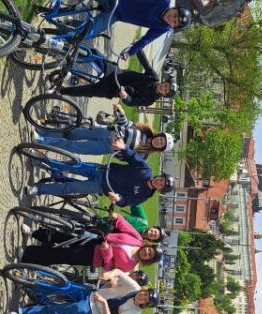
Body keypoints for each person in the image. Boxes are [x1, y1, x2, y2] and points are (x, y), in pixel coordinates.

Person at [24, 146, 174, 207]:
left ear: (160, 190)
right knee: (69, 166)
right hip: (101, 170)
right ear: (160, 176)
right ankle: (41, 161)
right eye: (161, 179)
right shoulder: (145, 169)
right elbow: (132, 156)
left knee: (68, 188)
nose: (159, 182)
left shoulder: (143, 196)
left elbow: (126, 201)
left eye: (161, 185)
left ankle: (38, 189)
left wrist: (118, 199)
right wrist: (123, 148)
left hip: (100, 186)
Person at [12, 269, 160, 314]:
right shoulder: (134, 288)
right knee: (64, 286)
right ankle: (30, 284)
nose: (143, 297)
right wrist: (109, 276)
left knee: (57, 310)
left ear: (145, 305)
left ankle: (22, 313)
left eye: (146, 300)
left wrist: (104, 305)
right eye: (146, 294)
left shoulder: (135, 312)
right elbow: (119, 272)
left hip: (92, 309)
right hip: (91, 293)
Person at [20, 212, 163, 272]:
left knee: (62, 255)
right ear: (149, 246)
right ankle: (35, 233)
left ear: (147, 260)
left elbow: (109, 267)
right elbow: (125, 226)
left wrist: (107, 252)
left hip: (92, 256)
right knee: (64, 235)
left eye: (149, 256)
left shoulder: (129, 265)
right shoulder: (137, 240)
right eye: (150, 250)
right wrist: (117, 218)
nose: (147, 253)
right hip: (97, 238)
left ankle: (28, 254)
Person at [34, 104, 175, 156]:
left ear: (159, 149)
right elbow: (125, 124)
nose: (159, 142)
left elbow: (126, 156)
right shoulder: (144, 130)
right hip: (105, 131)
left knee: (72, 146)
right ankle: (43, 132)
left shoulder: (143, 155)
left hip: (105, 147)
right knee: (70, 133)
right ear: (159, 135)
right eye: (161, 139)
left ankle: (41, 141)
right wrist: (121, 112)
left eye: (161, 144)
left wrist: (123, 148)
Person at [60, 51, 177, 108]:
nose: (163, 88)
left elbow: (132, 102)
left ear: (164, 94)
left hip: (115, 89)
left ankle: (61, 90)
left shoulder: (149, 100)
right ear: (164, 82)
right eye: (165, 85)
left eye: (165, 91)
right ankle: (69, 50)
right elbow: (145, 63)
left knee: (88, 90)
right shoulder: (154, 77)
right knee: (94, 54)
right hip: (118, 74)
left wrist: (125, 96)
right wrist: (137, 48)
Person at [85, 0, 191, 57]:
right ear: (174, 8)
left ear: (174, 26)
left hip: (116, 14)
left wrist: (129, 52)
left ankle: (69, 26)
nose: (172, 18)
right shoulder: (163, 1)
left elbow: (147, 39)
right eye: (175, 15)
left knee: (87, 32)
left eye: (175, 22)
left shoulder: (164, 27)